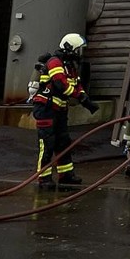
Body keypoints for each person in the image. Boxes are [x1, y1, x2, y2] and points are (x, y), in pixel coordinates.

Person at [31, 34, 100, 189]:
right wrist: (80, 98)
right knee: (47, 145)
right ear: (70, 48)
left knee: (63, 143)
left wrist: (85, 98)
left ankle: (66, 175)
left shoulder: (70, 66)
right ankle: (44, 178)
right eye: (78, 50)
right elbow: (61, 84)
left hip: (60, 111)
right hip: (46, 110)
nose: (80, 53)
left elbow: (76, 84)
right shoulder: (55, 62)